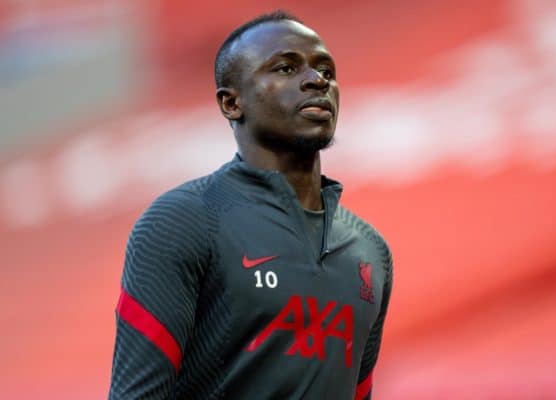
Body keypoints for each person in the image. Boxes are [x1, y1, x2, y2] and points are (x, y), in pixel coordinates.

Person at [109, 10, 393, 400]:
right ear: (231, 103)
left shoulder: (370, 251)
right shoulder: (182, 222)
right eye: (286, 68)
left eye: (326, 70)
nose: (316, 81)